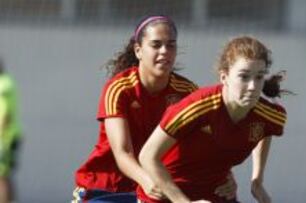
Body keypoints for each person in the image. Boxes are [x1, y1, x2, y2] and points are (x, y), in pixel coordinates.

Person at [72, 15, 236, 203]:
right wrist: (148, 181)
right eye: (156, 45)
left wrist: (226, 176)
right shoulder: (119, 89)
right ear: (138, 50)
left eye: (171, 45)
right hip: (106, 189)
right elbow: (123, 152)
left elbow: (206, 144)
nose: (165, 51)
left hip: (156, 189)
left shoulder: (188, 92)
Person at [138, 36, 288, 203]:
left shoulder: (269, 115)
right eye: (244, 77)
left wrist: (257, 181)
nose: (253, 86)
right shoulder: (197, 107)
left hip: (217, 195)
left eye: (259, 77)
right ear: (224, 77)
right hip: (166, 197)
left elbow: (266, 130)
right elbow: (147, 156)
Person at [0, 59, 22, 203]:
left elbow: (4, 113)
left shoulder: (3, 84)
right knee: (5, 176)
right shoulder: (7, 82)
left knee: (2, 176)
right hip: (9, 136)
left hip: (5, 137)